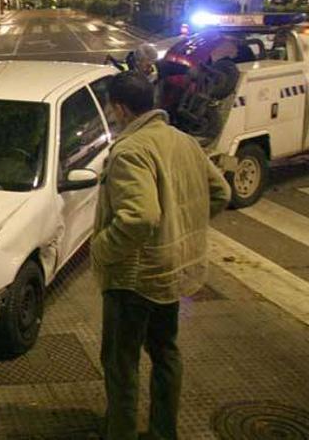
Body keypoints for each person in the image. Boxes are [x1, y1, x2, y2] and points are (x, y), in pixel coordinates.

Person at [92, 72, 231, 440]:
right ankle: (163, 432)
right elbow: (220, 192)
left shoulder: (130, 150)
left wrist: (102, 249)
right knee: (166, 352)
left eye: (111, 106)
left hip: (135, 278)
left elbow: (140, 217)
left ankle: (119, 432)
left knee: (121, 363)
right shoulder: (182, 141)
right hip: (174, 273)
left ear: (120, 108)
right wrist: (181, 230)